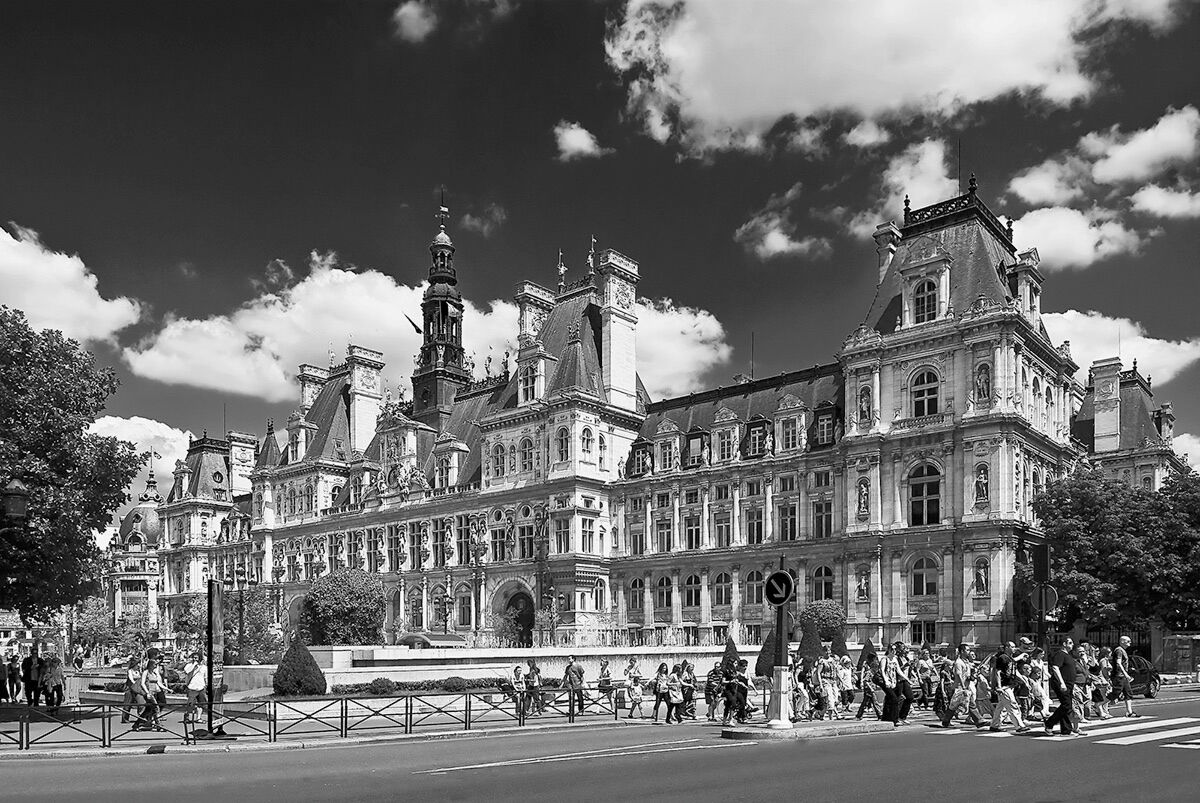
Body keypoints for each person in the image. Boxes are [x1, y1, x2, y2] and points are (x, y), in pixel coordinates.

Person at [989, 642, 1030, 733]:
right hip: (1004, 686)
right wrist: (999, 686)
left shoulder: (1010, 659)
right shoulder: (1002, 658)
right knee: (1012, 704)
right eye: (1012, 647)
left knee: (1001, 707)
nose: (1014, 648)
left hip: (1009, 685)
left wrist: (1024, 681)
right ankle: (1019, 726)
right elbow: (997, 672)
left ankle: (994, 725)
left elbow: (1014, 666)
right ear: (1007, 647)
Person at [941, 642, 984, 728]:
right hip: (959, 687)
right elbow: (959, 675)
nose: (969, 652)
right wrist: (964, 687)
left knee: (969, 704)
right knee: (953, 705)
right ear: (962, 651)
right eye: (967, 650)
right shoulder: (958, 662)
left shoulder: (966, 662)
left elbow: (966, 674)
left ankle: (979, 721)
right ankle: (946, 721)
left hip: (965, 686)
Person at [1044, 637, 1078, 736]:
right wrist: (1062, 682)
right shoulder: (1060, 654)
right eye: (1070, 643)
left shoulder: (1068, 655)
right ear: (1064, 644)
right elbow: (1055, 667)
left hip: (1069, 684)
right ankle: (1049, 723)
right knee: (1067, 705)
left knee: (1066, 706)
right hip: (1062, 683)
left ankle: (1066, 730)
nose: (1072, 645)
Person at [1109, 635, 1139, 718]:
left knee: (1128, 693)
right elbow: (1118, 663)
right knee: (1116, 693)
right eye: (1128, 641)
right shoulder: (1119, 650)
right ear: (1122, 642)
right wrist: (1126, 674)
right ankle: (1099, 705)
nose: (1130, 643)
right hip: (1119, 675)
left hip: (1123, 676)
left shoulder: (1122, 650)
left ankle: (1129, 712)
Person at [892, 642, 916, 725]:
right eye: (902, 647)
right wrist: (905, 666)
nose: (904, 649)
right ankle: (896, 717)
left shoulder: (905, 658)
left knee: (910, 697)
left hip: (905, 679)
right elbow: (897, 670)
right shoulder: (896, 658)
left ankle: (903, 716)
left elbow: (909, 669)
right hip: (899, 680)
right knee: (898, 699)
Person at [139, 656, 165, 731]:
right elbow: (142, 683)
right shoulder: (146, 672)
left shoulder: (154, 673)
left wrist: (166, 688)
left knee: (150, 710)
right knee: (156, 708)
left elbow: (158, 683)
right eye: (155, 664)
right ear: (150, 665)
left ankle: (140, 724)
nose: (156, 666)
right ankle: (158, 725)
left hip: (155, 692)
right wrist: (147, 692)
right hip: (149, 693)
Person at [183, 651, 208, 726]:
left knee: (201, 704)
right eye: (194, 658)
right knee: (190, 704)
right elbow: (187, 671)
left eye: (196, 658)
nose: (195, 659)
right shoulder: (189, 665)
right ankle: (187, 716)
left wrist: (206, 685)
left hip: (201, 687)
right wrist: (193, 665)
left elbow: (205, 677)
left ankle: (198, 718)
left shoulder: (204, 667)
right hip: (192, 687)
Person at [816, 646, 840, 720]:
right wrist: (820, 684)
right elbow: (818, 673)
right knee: (830, 700)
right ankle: (831, 718)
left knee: (836, 699)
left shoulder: (833, 660)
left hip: (833, 681)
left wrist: (840, 681)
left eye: (829, 651)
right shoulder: (822, 661)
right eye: (826, 651)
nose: (828, 652)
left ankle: (820, 713)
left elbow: (836, 671)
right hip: (825, 681)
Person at [856, 653, 882, 720]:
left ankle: (859, 715)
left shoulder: (872, 672)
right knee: (874, 701)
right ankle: (879, 714)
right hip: (869, 688)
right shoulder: (868, 672)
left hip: (871, 687)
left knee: (865, 702)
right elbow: (866, 681)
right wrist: (871, 688)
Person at [121, 657, 143, 724]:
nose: (138, 666)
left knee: (141, 703)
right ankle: (125, 718)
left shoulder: (138, 671)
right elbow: (131, 679)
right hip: (130, 688)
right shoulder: (130, 671)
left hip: (137, 689)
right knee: (128, 704)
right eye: (137, 664)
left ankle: (141, 717)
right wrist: (135, 683)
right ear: (134, 665)